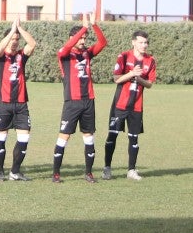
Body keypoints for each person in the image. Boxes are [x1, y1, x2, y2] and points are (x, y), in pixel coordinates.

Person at [53, 13, 107, 183]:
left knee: (89, 137)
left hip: (88, 100)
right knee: (64, 136)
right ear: (72, 38)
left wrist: (94, 25)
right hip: (72, 102)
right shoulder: (64, 54)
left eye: (85, 38)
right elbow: (67, 46)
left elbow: (102, 43)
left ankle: (89, 173)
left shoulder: (87, 53)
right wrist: (83, 27)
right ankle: (56, 174)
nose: (83, 41)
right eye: (80, 38)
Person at [103, 30, 157, 181]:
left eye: (146, 42)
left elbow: (149, 84)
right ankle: (107, 168)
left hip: (136, 106)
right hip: (120, 104)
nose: (144, 45)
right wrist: (132, 73)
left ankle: (131, 170)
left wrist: (139, 79)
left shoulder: (150, 60)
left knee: (134, 138)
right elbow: (116, 79)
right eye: (141, 42)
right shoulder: (124, 56)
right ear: (133, 42)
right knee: (112, 135)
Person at [0, 19, 38, 182]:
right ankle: (0, 172)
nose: (15, 42)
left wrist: (19, 29)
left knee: (24, 138)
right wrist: (11, 31)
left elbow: (32, 44)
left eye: (17, 39)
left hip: (21, 104)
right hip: (3, 104)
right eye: (12, 39)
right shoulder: (0, 57)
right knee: (1, 138)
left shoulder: (21, 56)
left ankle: (15, 172)